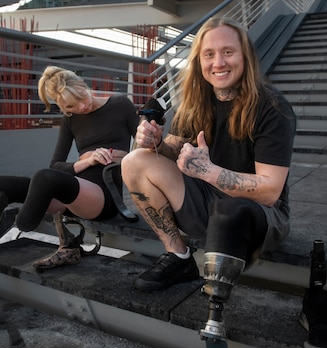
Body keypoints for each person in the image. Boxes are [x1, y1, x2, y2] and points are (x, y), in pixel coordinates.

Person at [121, 17, 296, 292]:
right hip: (206, 205)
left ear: (245, 56)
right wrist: (157, 143)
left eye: (228, 52)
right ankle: (178, 256)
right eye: (209, 54)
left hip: (259, 216)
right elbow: (175, 150)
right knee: (135, 161)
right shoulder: (193, 103)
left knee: (231, 209)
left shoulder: (271, 107)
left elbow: (270, 191)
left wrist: (208, 171)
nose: (218, 63)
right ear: (199, 61)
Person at [0, 66, 139, 271]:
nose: (81, 106)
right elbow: (56, 164)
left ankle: (23, 224)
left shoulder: (120, 104)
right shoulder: (70, 120)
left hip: (104, 195)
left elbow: (144, 149)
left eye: (81, 98)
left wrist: (125, 156)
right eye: (71, 106)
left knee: (44, 178)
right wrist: (87, 160)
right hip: (74, 188)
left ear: (83, 85)